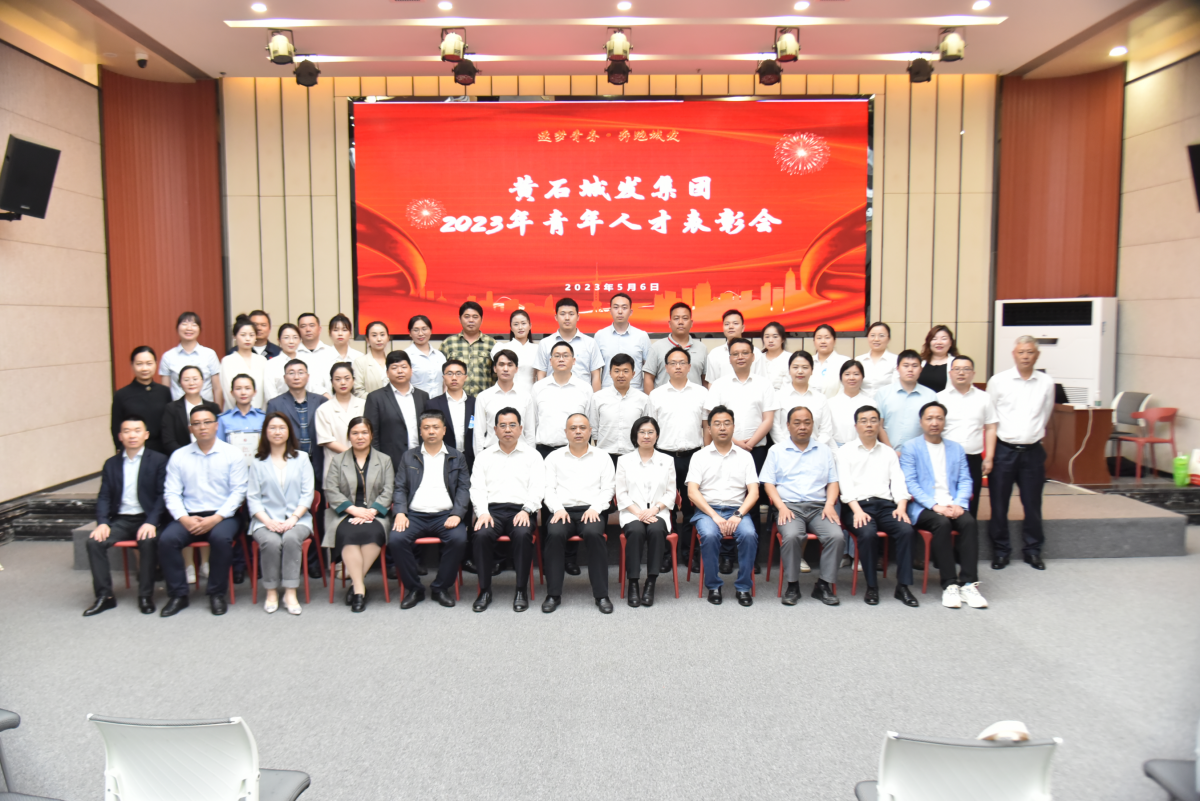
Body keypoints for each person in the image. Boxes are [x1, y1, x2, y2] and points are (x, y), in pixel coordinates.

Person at [158, 404, 248, 617]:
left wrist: (216, 518)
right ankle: (178, 595)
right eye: (196, 424)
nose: (202, 427)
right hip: (189, 515)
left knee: (220, 539)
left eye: (207, 422)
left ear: (216, 425)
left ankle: (216, 594)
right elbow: (171, 493)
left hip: (223, 516)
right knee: (167, 540)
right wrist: (183, 518)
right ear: (190, 428)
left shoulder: (232, 454)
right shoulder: (179, 456)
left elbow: (238, 492)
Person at [899, 402, 987, 609]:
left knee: (969, 522)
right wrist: (934, 505)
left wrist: (960, 504)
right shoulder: (911, 447)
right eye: (929, 418)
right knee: (942, 524)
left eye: (939, 418)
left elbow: (965, 480)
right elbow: (910, 483)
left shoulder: (956, 448)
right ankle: (950, 584)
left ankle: (968, 583)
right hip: (924, 507)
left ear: (945, 421)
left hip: (952, 504)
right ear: (921, 422)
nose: (934, 423)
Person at [703, 337, 776, 574]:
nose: (740, 357)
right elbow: (713, 420)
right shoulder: (719, 385)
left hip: (756, 449)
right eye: (735, 353)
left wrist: (750, 443)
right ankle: (726, 556)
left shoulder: (764, 384)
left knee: (752, 501)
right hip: (726, 448)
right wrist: (734, 442)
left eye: (745, 353)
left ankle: (750, 557)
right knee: (728, 496)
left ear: (753, 357)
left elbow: (768, 419)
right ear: (730, 358)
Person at [84, 416, 169, 616]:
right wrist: (103, 523)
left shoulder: (159, 460)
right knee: (94, 543)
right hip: (121, 520)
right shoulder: (111, 464)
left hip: (148, 518)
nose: (132, 435)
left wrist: (151, 522)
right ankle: (105, 596)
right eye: (127, 431)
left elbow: (163, 496)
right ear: (120, 436)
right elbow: (104, 496)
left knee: (148, 541)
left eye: (137, 430)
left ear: (146, 435)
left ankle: (145, 595)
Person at [836, 406, 919, 607]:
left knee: (906, 530)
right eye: (864, 421)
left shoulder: (888, 452)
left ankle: (903, 587)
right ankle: (872, 586)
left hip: (886, 506)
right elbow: (845, 486)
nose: (869, 425)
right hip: (856, 505)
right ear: (856, 426)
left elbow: (898, 482)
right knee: (867, 533)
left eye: (873, 420)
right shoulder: (845, 451)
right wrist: (857, 511)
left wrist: (901, 506)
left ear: (879, 424)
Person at [760, 406, 843, 606]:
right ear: (788, 426)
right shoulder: (776, 450)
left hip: (819, 507)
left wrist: (830, 504)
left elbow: (833, 482)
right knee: (791, 536)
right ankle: (792, 585)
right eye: (797, 423)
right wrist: (781, 507)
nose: (802, 427)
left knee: (836, 536)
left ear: (813, 425)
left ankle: (823, 585)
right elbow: (768, 484)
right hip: (789, 507)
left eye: (807, 422)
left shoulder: (824, 451)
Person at [986, 335, 1055, 571]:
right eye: (1021, 352)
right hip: (1004, 450)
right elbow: (990, 417)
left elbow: (1046, 414)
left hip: (1033, 451)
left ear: (1037, 355)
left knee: (1032, 504)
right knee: (998, 504)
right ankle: (1001, 551)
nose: (1025, 356)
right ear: (1014, 355)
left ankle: (1033, 550)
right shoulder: (998, 381)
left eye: (1030, 352)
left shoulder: (1046, 382)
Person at [391, 410, 470, 609]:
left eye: (436, 427)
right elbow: (399, 487)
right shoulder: (409, 456)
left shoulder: (457, 457)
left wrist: (457, 514)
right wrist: (400, 512)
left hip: (445, 514)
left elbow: (464, 488)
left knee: (459, 539)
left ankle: (440, 588)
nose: (431, 431)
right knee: (396, 539)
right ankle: (414, 589)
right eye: (426, 428)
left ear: (444, 430)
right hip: (414, 515)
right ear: (420, 431)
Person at [469, 407, 544, 612]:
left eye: (512, 425)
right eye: (502, 425)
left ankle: (521, 590)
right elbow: (477, 488)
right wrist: (482, 513)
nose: (507, 430)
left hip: (521, 510)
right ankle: (484, 590)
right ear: (495, 430)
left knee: (522, 534)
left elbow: (538, 488)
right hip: (491, 511)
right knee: (481, 534)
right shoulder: (484, 456)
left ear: (520, 429)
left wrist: (527, 510)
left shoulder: (533, 456)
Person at [541, 413, 615, 614]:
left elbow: (608, 489)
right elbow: (548, 488)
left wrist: (595, 508)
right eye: (573, 428)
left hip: (592, 509)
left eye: (582, 428)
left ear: (590, 431)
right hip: (562, 510)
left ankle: (601, 595)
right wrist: (558, 508)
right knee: (554, 534)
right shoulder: (554, 457)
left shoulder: (602, 457)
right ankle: (553, 594)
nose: (578, 432)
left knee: (594, 534)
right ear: (566, 432)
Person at [687, 406, 760, 607]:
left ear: (733, 427)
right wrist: (715, 516)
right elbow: (692, 492)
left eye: (727, 423)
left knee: (749, 534)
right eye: (717, 424)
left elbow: (754, 493)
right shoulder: (699, 456)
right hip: (707, 511)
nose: (722, 428)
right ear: (709, 429)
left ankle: (743, 587)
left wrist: (738, 514)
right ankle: (713, 586)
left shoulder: (745, 456)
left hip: (737, 510)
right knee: (710, 535)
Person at [648, 345, 710, 572]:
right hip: (663, 457)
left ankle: (690, 553)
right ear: (666, 367)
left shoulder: (701, 393)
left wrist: (706, 454)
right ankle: (667, 554)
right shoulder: (656, 395)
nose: (677, 366)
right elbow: (651, 430)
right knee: (665, 507)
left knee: (693, 507)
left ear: (689, 366)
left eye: (682, 362)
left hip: (693, 457)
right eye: (673, 363)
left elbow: (706, 426)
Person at [247, 412, 315, 615]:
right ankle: (271, 591)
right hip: (265, 520)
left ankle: (290, 592)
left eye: (282, 428)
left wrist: (293, 518)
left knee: (291, 538)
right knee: (271, 541)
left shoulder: (301, 458)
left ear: (289, 432)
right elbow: (253, 498)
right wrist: (268, 521)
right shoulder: (258, 462)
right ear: (265, 432)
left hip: (298, 519)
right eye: (273, 428)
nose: (277, 432)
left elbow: (307, 493)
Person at [323, 417, 393, 613]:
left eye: (364, 432)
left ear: (371, 435)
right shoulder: (338, 461)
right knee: (347, 535)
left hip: (375, 513)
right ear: (349, 436)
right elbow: (332, 490)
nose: (360, 437)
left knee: (374, 534)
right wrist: (354, 510)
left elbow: (389, 490)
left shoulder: (384, 460)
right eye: (355, 433)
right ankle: (360, 589)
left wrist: (371, 511)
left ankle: (355, 584)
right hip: (346, 513)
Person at [616, 416, 675, 607]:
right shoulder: (624, 461)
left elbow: (671, 492)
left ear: (657, 435)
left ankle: (651, 582)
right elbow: (621, 493)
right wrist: (639, 512)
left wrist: (655, 509)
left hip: (658, 512)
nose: (646, 436)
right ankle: (633, 583)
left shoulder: (667, 460)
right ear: (635, 435)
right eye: (642, 432)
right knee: (635, 531)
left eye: (650, 432)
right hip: (632, 512)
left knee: (656, 530)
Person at [938, 355, 997, 518]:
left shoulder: (984, 398)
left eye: (966, 369)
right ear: (950, 373)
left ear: (973, 373)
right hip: (945, 458)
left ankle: (969, 533)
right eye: (957, 369)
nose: (961, 373)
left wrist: (989, 457)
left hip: (972, 459)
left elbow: (991, 428)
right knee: (945, 499)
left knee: (971, 500)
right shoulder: (939, 398)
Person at [265, 359, 328, 489]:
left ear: (308, 376)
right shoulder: (275, 404)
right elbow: (269, 437)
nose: (296, 377)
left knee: (319, 499)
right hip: (288, 463)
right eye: (291, 373)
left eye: (300, 372)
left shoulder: (321, 401)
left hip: (317, 462)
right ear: (285, 378)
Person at [363, 350, 430, 472]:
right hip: (389, 463)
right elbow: (372, 435)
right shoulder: (375, 398)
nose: (400, 371)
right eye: (394, 367)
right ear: (387, 373)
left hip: (421, 460)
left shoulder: (423, 396)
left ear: (411, 370)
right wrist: (378, 463)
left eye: (404, 367)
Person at [111, 346, 172, 455]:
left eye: (149, 363)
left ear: (156, 364)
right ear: (132, 365)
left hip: (162, 451)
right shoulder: (121, 394)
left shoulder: (164, 392)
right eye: (139, 364)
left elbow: (170, 423)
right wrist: (121, 449)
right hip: (134, 450)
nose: (144, 368)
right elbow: (116, 427)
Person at [595, 353, 653, 465]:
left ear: (633, 374)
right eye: (616, 371)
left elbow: (646, 428)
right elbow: (594, 429)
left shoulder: (643, 399)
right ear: (610, 373)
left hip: (633, 456)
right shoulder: (597, 398)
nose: (621, 375)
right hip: (605, 456)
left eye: (626, 371)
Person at [474, 348, 535, 453]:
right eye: (501, 365)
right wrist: (480, 458)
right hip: (492, 454)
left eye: (510, 365)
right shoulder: (483, 397)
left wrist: (531, 456)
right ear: (495, 368)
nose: (505, 369)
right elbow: (478, 433)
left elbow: (530, 433)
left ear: (516, 369)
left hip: (520, 454)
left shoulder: (526, 397)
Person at [535, 297, 604, 389]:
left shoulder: (590, 343)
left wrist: (595, 398)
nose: (567, 318)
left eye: (571, 314)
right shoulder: (545, 343)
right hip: (552, 394)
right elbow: (541, 375)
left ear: (578, 317)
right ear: (556, 317)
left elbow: (595, 376)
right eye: (562, 314)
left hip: (582, 395)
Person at [770, 351, 834, 450]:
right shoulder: (778, 397)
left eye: (805, 367)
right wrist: (788, 448)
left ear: (812, 370)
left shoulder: (820, 398)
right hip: (785, 451)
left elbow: (826, 430)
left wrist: (814, 449)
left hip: (815, 451)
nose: (800, 371)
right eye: (795, 367)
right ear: (789, 370)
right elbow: (775, 427)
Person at [876, 349, 936, 453]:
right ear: (898, 368)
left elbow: (933, 428)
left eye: (915, 366)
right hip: (888, 453)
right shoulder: (883, 393)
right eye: (906, 365)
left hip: (920, 454)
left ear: (921, 369)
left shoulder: (930, 396)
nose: (910, 370)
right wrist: (891, 452)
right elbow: (878, 426)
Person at [315, 363, 366, 486]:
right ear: (332, 382)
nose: (343, 382)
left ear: (353, 380)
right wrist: (354, 454)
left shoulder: (364, 405)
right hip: (335, 468)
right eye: (338, 379)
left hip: (363, 465)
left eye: (347, 378)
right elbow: (327, 440)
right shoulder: (323, 409)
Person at [159, 311, 222, 407]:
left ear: (200, 329)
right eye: (184, 324)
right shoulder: (168, 356)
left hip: (205, 410)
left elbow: (217, 388)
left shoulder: (209, 354)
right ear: (177, 328)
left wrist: (218, 412)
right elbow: (165, 391)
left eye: (194, 325)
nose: (189, 328)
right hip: (178, 411)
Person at [642, 302, 707, 391]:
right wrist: (651, 399)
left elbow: (705, 379)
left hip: (694, 399)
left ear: (691, 323)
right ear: (669, 323)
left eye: (685, 318)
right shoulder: (656, 347)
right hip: (663, 399)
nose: (680, 322)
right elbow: (648, 378)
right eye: (676, 318)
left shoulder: (702, 348)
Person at [595, 293, 652, 393]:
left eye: (624, 308)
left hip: (635, 392)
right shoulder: (600, 335)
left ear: (631, 312)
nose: (620, 311)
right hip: (607, 393)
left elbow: (649, 370)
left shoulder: (642, 336)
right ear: (610, 311)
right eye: (616, 307)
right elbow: (595, 371)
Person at [440, 301, 496, 397]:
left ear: (481, 319)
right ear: (460, 319)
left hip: (484, 400)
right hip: (456, 400)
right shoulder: (448, 344)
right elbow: (441, 375)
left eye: (475, 317)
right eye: (467, 316)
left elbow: (497, 375)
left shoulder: (492, 344)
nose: (471, 320)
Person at [427, 359, 476, 469]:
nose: (454, 378)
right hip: (442, 459)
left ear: (465, 377)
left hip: (470, 459)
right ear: (443, 377)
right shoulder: (432, 404)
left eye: (458, 374)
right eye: (449, 374)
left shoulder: (475, 403)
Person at [265, 323, 326, 400]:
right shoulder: (271, 364)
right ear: (279, 340)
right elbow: (270, 394)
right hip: (280, 406)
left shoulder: (308, 361)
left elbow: (316, 387)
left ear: (300, 340)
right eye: (286, 337)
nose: (291, 341)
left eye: (295, 337)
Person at [218, 318, 269, 411]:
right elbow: (228, 393)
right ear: (234, 336)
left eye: (251, 335)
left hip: (259, 413)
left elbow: (266, 391)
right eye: (243, 335)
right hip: (235, 412)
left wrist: (262, 413)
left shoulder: (262, 360)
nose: (248, 339)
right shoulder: (227, 361)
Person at [703, 309, 763, 385]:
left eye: (735, 323)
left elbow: (762, 381)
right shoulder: (714, 354)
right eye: (727, 324)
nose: (731, 327)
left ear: (743, 328)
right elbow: (711, 383)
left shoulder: (755, 352)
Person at [161, 365, 208, 456]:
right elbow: (169, 441)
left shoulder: (213, 407)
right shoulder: (171, 408)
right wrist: (186, 457)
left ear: (203, 381)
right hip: (182, 458)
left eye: (195, 379)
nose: (191, 383)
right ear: (180, 383)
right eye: (186, 380)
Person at [216, 375, 266, 459]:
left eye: (247, 388)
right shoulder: (223, 419)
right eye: (238, 389)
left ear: (254, 392)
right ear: (232, 393)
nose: (243, 392)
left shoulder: (263, 418)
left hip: (259, 463)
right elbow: (219, 447)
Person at [827, 360, 875, 447]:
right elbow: (827, 431)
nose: (852, 378)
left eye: (856, 374)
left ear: (862, 377)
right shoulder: (830, 403)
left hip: (862, 447)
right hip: (835, 448)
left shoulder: (870, 403)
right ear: (841, 378)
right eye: (847, 374)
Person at [491, 309, 540, 392]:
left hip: (531, 394)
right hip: (507, 393)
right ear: (511, 328)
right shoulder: (501, 348)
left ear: (530, 325)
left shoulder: (538, 348)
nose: (520, 327)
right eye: (516, 324)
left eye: (523, 323)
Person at [405, 314, 446, 397]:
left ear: (430, 331)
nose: (420, 334)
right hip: (417, 402)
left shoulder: (439, 355)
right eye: (416, 330)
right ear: (410, 333)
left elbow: (445, 383)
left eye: (424, 329)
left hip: (439, 402)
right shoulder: (406, 356)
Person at [856, 322, 898, 396]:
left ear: (888, 339)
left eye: (881, 336)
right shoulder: (859, 360)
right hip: (862, 402)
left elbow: (896, 386)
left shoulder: (896, 360)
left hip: (885, 401)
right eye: (872, 335)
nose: (876, 339)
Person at [353, 320, 392, 399]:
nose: (379, 339)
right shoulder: (360, 362)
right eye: (374, 335)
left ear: (388, 338)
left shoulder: (393, 361)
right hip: (370, 405)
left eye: (382, 335)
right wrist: (377, 402)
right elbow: (358, 391)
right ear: (367, 339)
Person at [810, 324, 849, 398]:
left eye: (827, 338)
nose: (823, 341)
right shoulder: (807, 362)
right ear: (814, 341)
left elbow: (846, 389)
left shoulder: (844, 362)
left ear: (834, 340)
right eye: (819, 338)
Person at [296, 312, 336, 386]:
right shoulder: (293, 354)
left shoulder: (331, 353)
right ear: (298, 330)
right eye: (303, 326)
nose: (308, 329)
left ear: (319, 329)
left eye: (312, 325)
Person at [918, 325, 958, 393]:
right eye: (934, 339)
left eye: (944, 339)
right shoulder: (920, 362)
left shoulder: (956, 363)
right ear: (929, 342)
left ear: (951, 342)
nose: (939, 342)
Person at [757, 321, 792, 391]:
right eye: (767, 337)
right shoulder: (758, 358)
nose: (770, 340)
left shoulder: (790, 358)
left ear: (783, 339)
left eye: (775, 337)